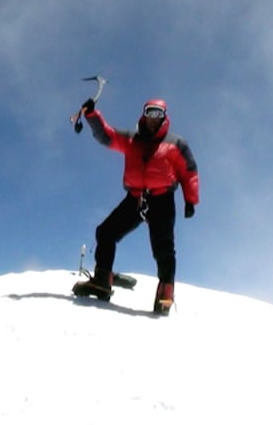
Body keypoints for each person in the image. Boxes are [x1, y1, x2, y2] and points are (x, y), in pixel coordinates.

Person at [72, 97, 199, 315]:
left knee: (163, 249)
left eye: (158, 113)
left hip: (162, 200)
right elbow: (106, 135)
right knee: (105, 232)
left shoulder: (176, 144)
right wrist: (92, 115)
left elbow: (189, 172)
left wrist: (190, 200)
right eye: (150, 112)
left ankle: (165, 295)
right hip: (136, 198)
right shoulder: (131, 139)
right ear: (144, 113)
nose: (153, 118)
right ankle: (102, 282)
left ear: (165, 117)